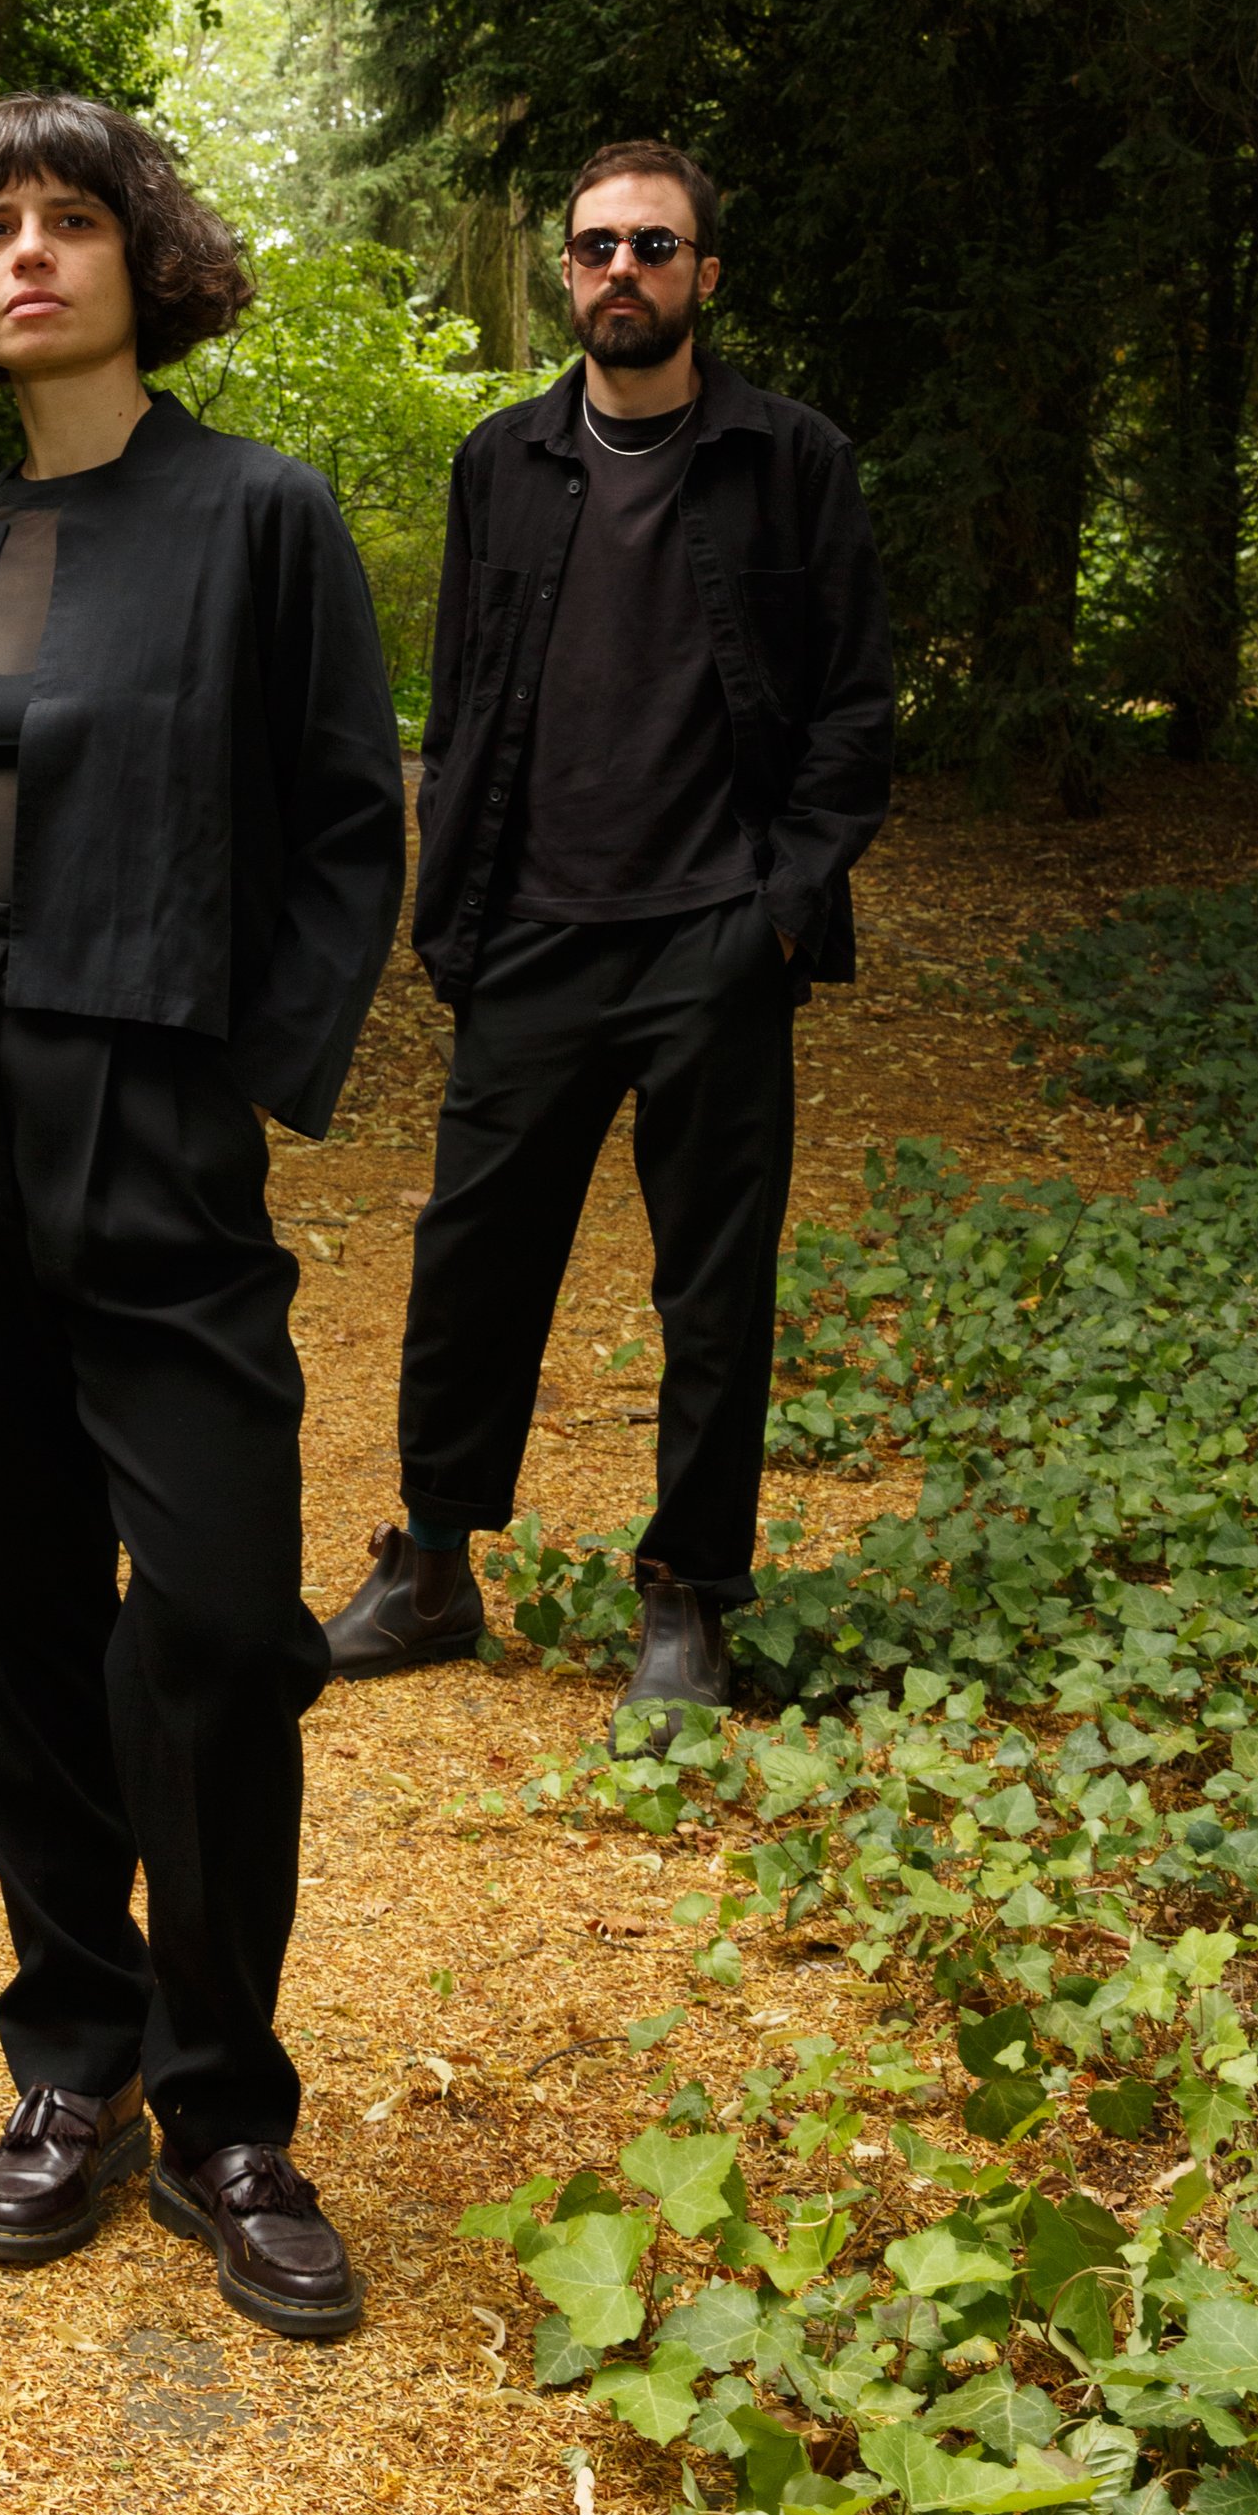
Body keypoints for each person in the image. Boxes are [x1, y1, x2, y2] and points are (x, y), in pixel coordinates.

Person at [0, 95, 404, 2341]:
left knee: (224, 1613)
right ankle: (77, 2057)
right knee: (6, 1596)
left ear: (147, 258)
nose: (27, 255)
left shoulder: (259, 514)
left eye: (70, 220)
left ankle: (230, 2104)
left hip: (144, 1102)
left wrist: (235, 1072)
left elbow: (344, 823)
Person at [323, 138, 893, 1753]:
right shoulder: (500, 461)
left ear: (706, 271)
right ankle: (435, 1568)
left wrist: (779, 907)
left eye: (654, 243)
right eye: (595, 246)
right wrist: (456, 916)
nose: (621, 269)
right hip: (532, 936)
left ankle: (689, 1591)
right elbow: (463, 701)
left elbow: (854, 711)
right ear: (566, 270)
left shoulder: (793, 461)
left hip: (716, 941)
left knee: (714, 1287)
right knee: (469, 1261)